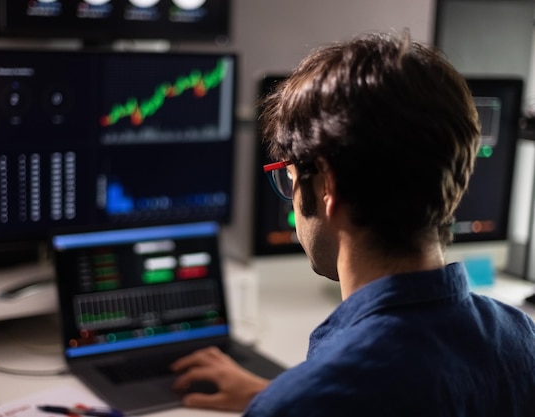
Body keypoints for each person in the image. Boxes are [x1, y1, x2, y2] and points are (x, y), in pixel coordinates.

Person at [169, 30, 535, 416]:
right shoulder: (521, 340)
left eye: (289, 177)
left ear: (327, 185)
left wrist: (287, 400)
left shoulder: (308, 402)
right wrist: (281, 393)